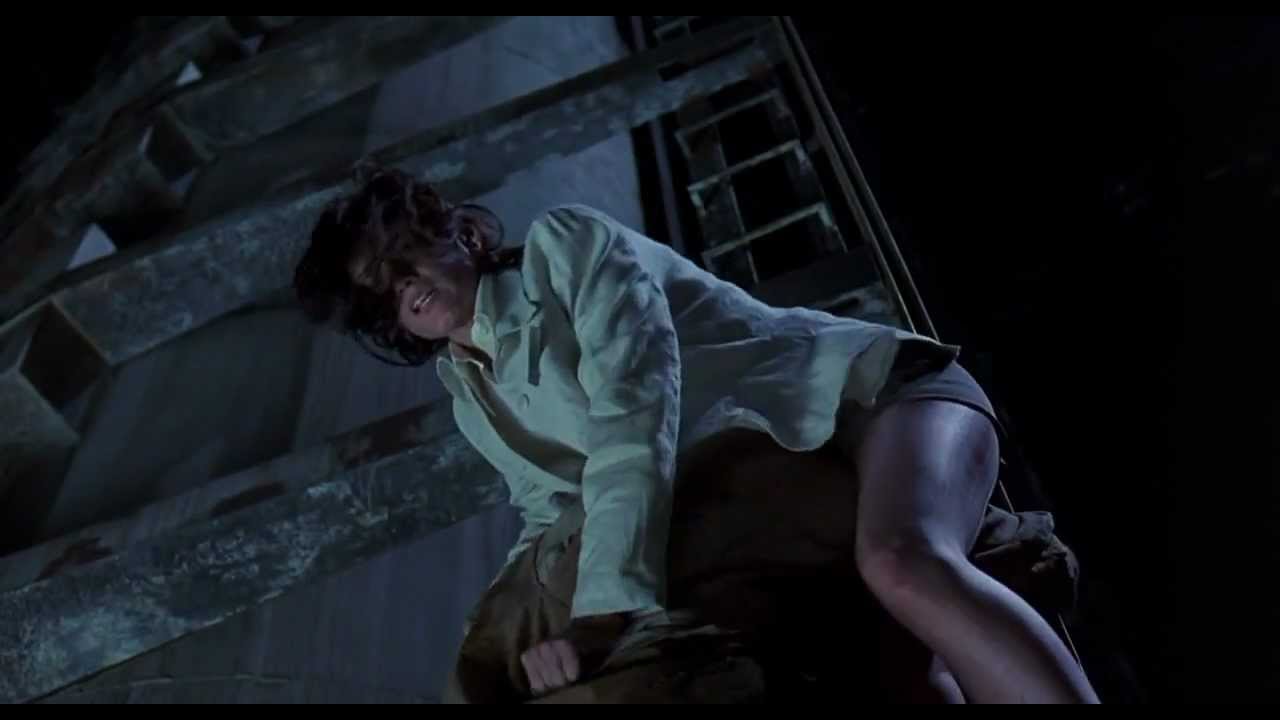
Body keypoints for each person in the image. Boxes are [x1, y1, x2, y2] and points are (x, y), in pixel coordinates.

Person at [293, 165, 1100, 703]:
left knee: (903, 563)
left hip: (871, 398)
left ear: (463, 234)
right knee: (894, 678)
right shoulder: (472, 393)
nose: (404, 289)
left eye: (403, 259)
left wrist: (601, 614)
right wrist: (523, 627)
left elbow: (636, 412)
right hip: (782, 487)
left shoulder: (564, 248)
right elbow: (551, 517)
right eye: (381, 294)